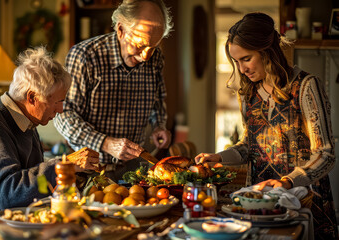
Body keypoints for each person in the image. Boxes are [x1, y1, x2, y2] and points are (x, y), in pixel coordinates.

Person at [195, 13, 338, 239]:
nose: (242, 69)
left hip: (306, 204)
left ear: (267, 51)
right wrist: (220, 157)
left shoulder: (305, 87)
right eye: (236, 62)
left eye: (246, 59)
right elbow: (249, 147)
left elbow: (326, 154)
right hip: (260, 208)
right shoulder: (248, 93)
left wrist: (288, 181)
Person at [0, 46, 99, 222]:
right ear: (32, 98)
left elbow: (33, 178)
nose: (60, 109)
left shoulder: (24, 120)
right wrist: (63, 166)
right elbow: (9, 195)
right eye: (58, 102)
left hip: (17, 221)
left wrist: (75, 172)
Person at [54, 0, 173, 180]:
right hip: (90, 170)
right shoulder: (85, 56)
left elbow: (157, 99)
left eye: (153, 47)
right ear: (121, 30)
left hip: (134, 170)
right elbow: (64, 116)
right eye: (140, 45)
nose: (145, 57)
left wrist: (159, 126)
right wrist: (106, 143)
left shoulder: (155, 59)